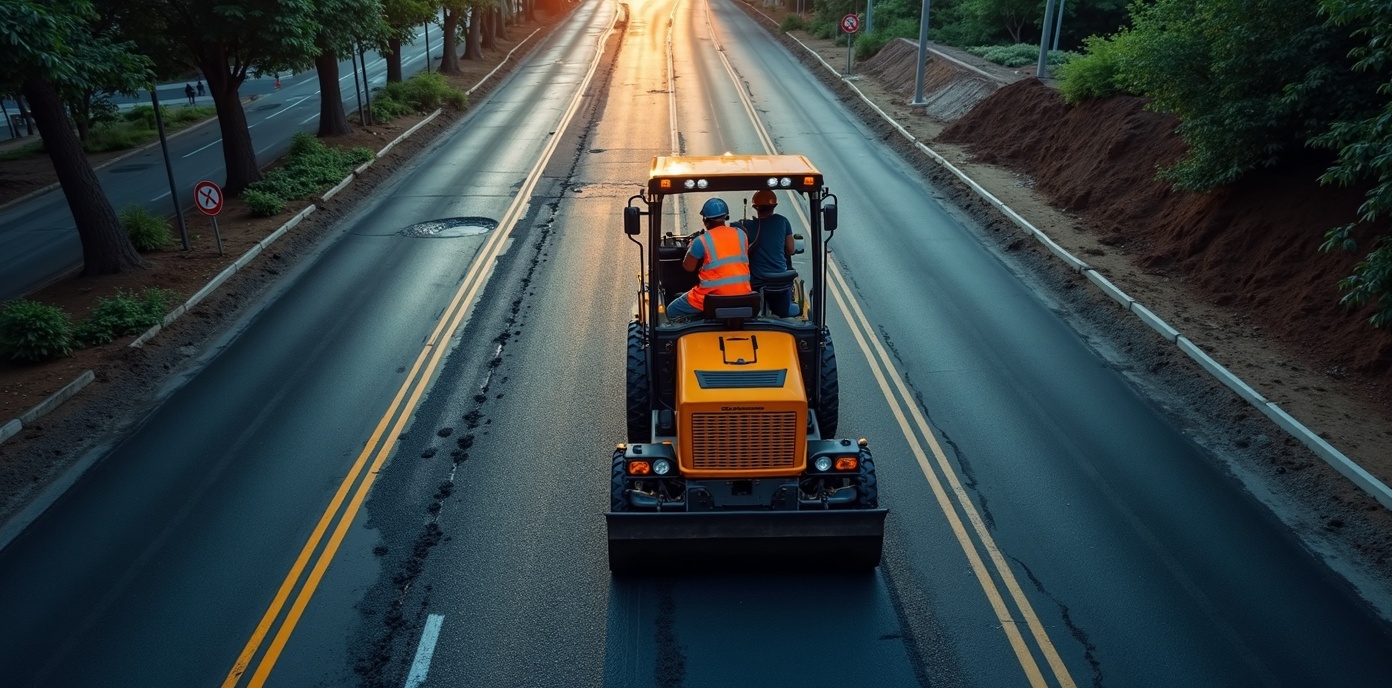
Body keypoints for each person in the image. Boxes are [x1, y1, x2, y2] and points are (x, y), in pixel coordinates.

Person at [665, 198, 752, 320]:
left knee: (670, 311)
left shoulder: (701, 241)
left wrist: (692, 247)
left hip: (711, 298)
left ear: (705, 220)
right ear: (725, 217)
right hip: (743, 295)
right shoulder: (741, 234)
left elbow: (688, 267)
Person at [732, 189, 798, 316]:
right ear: (774, 206)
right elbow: (790, 249)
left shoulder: (746, 226)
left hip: (756, 283)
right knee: (784, 311)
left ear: (756, 207)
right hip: (780, 282)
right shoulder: (783, 221)